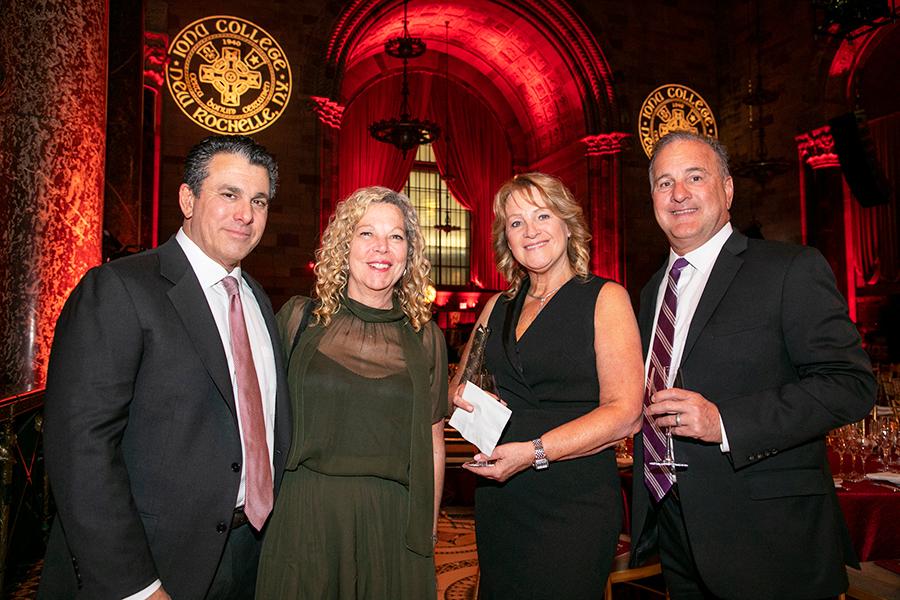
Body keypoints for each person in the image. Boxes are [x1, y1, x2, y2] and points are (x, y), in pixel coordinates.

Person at [39, 135, 290, 600]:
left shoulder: (258, 300)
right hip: (151, 566)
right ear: (187, 198)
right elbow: (81, 449)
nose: (246, 214)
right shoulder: (119, 289)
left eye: (258, 200)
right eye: (229, 194)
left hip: (250, 556)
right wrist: (136, 586)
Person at [630, 131, 876, 599]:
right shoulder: (650, 291)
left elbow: (850, 385)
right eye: (664, 183)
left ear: (727, 190)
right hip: (676, 530)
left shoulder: (789, 269)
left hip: (770, 537)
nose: (678, 193)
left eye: (694, 177)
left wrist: (725, 422)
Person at [451, 172, 644, 599]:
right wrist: (475, 401)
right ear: (507, 238)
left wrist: (532, 452)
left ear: (567, 223)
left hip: (573, 497)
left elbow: (625, 412)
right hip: (502, 493)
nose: (530, 230)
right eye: (516, 223)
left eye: (542, 215)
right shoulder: (496, 306)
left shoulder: (605, 298)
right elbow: (460, 388)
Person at [255, 186, 448, 599]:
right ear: (344, 245)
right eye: (366, 233)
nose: (382, 247)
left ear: (409, 254)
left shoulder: (426, 338)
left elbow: (433, 441)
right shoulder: (297, 319)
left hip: (393, 523)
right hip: (305, 516)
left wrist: (428, 531)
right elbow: (253, 412)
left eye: (396, 236)